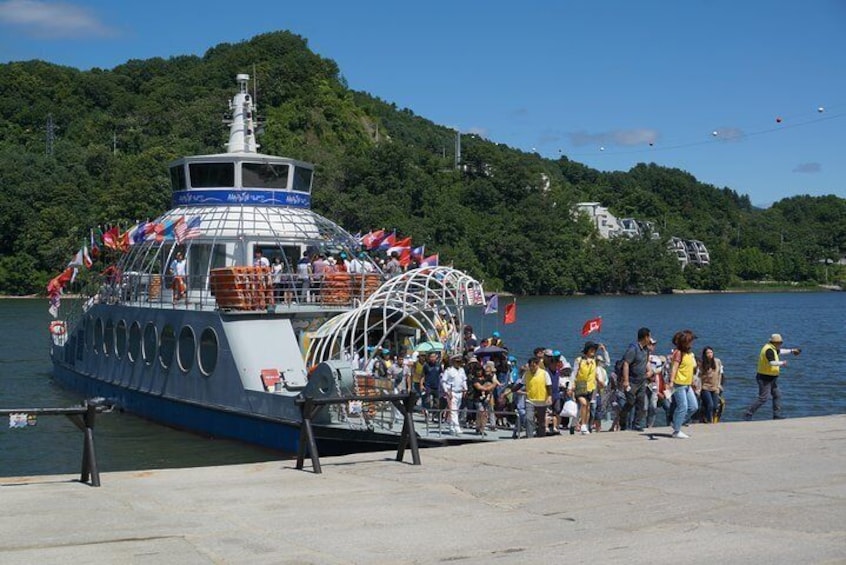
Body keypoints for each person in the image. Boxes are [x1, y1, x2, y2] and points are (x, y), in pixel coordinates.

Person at [744, 333, 801, 421]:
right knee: (763, 398)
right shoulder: (768, 350)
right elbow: (772, 362)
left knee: (777, 395)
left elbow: (780, 351)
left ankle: (776, 415)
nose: (781, 344)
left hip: (772, 377)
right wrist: (782, 363)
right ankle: (749, 413)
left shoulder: (773, 348)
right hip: (764, 378)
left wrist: (792, 351)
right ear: (775, 342)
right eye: (780, 343)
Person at [619, 327, 653, 431]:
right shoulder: (633, 349)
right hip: (631, 381)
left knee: (641, 403)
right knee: (630, 402)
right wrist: (626, 381)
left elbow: (646, 362)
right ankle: (623, 420)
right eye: (649, 336)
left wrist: (650, 370)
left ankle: (636, 424)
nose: (650, 339)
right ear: (645, 337)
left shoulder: (646, 349)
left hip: (642, 381)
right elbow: (626, 364)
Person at [667, 330, 699, 439]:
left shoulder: (689, 353)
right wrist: (671, 382)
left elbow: (691, 368)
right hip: (679, 383)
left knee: (693, 407)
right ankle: (676, 431)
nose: (692, 343)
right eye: (690, 341)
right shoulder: (678, 353)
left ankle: (676, 422)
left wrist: (693, 381)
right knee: (683, 406)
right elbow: (674, 368)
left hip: (688, 384)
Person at [573, 342, 599, 435]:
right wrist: (571, 386)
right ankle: (582, 425)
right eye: (591, 349)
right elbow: (574, 373)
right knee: (583, 404)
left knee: (587, 407)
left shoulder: (594, 360)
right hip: (580, 385)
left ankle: (585, 425)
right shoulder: (579, 360)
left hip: (590, 387)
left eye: (594, 350)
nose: (593, 351)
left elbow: (607, 363)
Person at [523, 356, 551, 437]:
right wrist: (508, 392)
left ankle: (541, 436)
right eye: (530, 366)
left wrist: (549, 396)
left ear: (537, 365)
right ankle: (530, 437)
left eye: (533, 366)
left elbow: (549, 386)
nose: (532, 368)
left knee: (541, 421)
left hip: (542, 400)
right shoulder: (526, 374)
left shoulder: (544, 373)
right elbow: (520, 384)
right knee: (529, 418)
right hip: (530, 400)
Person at [441, 354, 468, 435]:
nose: (458, 363)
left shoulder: (462, 370)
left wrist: (465, 389)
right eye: (457, 362)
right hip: (452, 392)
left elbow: (464, 380)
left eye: (460, 362)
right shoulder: (448, 371)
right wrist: (446, 391)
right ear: (453, 362)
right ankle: (457, 427)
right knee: (453, 410)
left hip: (460, 392)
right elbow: (443, 382)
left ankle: (451, 428)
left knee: (457, 411)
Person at [698, 346, 723, 423]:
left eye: (711, 352)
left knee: (715, 406)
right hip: (705, 387)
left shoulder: (717, 361)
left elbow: (720, 374)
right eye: (708, 353)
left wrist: (719, 386)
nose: (710, 354)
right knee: (710, 405)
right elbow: (699, 377)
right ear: (705, 354)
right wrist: (699, 388)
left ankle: (706, 417)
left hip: (715, 387)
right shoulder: (702, 364)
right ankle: (709, 421)